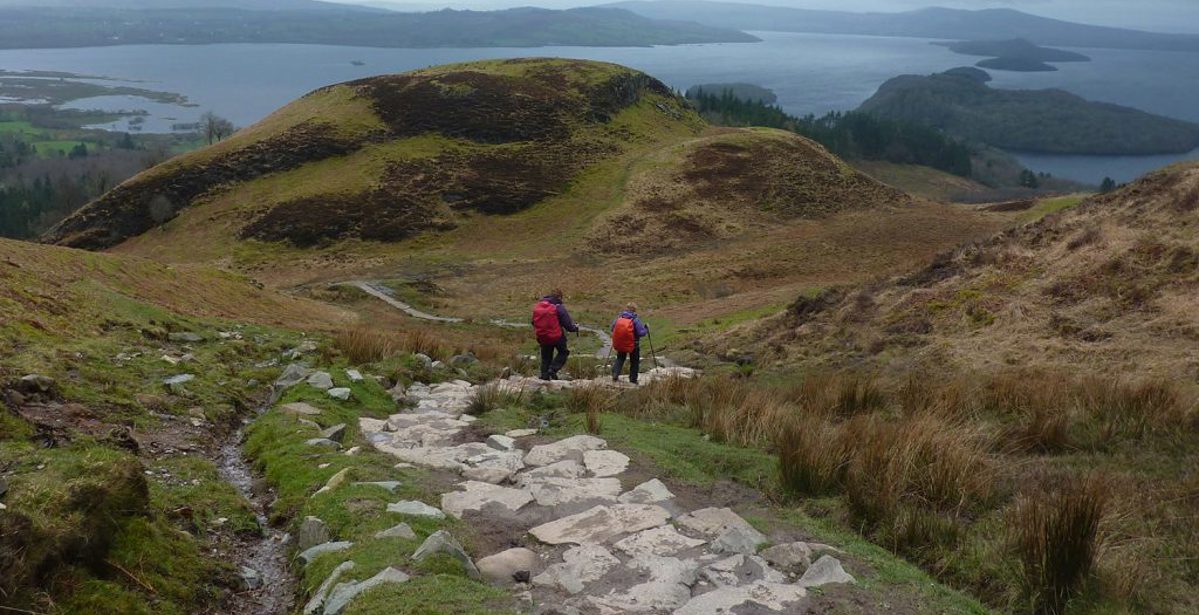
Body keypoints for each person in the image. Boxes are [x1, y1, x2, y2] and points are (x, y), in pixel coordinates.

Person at [532, 289, 579, 380]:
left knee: (546, 357)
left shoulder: (539, 306)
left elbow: (533, 322)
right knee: (563, 352)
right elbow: (567, 324)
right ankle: (553, 369)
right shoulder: (558, 306)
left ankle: (544, 377)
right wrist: (575, 328)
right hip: (556, 336)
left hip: (543, 336)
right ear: (559, 297)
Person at [610, 303, 649, 384]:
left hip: (621, 343)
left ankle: (615, 374)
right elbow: (641, 333)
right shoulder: (635, 319)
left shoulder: (619, 317)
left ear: (627, 308)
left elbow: (612, 328)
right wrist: (646, 329)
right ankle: (633, 380)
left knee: (620, 358)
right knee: (634, 361)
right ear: (634, 310)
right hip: (633, 344)